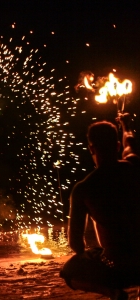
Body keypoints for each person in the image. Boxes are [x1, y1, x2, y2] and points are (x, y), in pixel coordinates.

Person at [60, 113, 140, 300]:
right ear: (117, 147)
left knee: (69, 270)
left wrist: (99, 252)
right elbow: (130, 143)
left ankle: (113, 293)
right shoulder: (134, 166)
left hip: (118, 268)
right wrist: (125, 124)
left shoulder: (84, 188)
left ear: (91, 148)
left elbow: (76, 245)